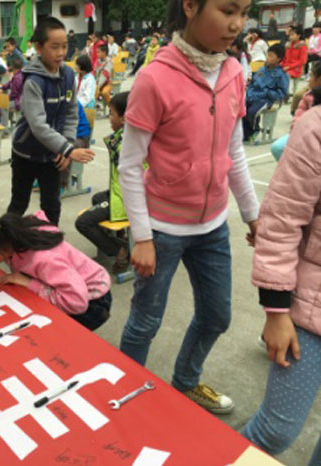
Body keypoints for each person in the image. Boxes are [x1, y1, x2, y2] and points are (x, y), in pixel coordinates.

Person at [117, 0, 259, 414]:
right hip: (162, 231)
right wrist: (142, 237)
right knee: (145, 322)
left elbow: (235, 150)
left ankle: (186, 381)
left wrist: (252, 213)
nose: (237, 24)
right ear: (191, 6)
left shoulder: (233, 72)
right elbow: (130, 165)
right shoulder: (154, 78)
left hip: (213, 227)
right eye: (227, 11)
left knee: (216, 317)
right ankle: (124, 400)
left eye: (244, 12)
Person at [241, 96, 321, 466]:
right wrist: (276, 310)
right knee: (275, 430)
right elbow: (282, 220)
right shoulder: (315, 127)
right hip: (310, 310)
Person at [0, 211, 112, 331]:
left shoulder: (43, 259)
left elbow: (77, 303)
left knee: (57, 338)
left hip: (92, 301)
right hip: (68, 282)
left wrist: (29, 283)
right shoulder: (10, 235)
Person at [7, 17, 94, 226]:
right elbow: (38, 126)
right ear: (38, 47)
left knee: (52, 205)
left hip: (52, 154)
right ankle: (8, 239)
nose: (61, 53)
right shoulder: (33, 81)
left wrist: (67, 145)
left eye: (64, 46)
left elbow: (71, 113)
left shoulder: (68, 75)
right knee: (19, 203)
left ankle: (51, 240)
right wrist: (68, 150)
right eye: (54, 47)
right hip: (26, 153)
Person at [76, 92, 130, 273]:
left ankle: (120, 251)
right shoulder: (123, 138)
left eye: (112, 114)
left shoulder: (126, 144)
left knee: (83, 222)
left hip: (129, 199)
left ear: (123, 118)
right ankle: (120, 236)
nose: (109, 118)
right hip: (122, 193)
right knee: (98, 198)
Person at [270, 60, 321, 160]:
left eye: (311, 76)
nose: (308, 80)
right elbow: (297, 119)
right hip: (303, 135)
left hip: (316, 139)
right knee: (277, 147)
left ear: (319, 79)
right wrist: (298, 133)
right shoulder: (308, 96)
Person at [243, 44, 289, 142]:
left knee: (252, 112)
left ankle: (254, 130)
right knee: (242, 109)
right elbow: (252, 83)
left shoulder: (281, 74)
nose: (268, 57)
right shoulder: (261, 70)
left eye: (271, 56)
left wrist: (267, 92)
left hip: (267, 100)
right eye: (267, 55)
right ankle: (245, 133)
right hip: (253, 96)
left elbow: (282, 92)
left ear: (279, 59)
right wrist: (249, 92)